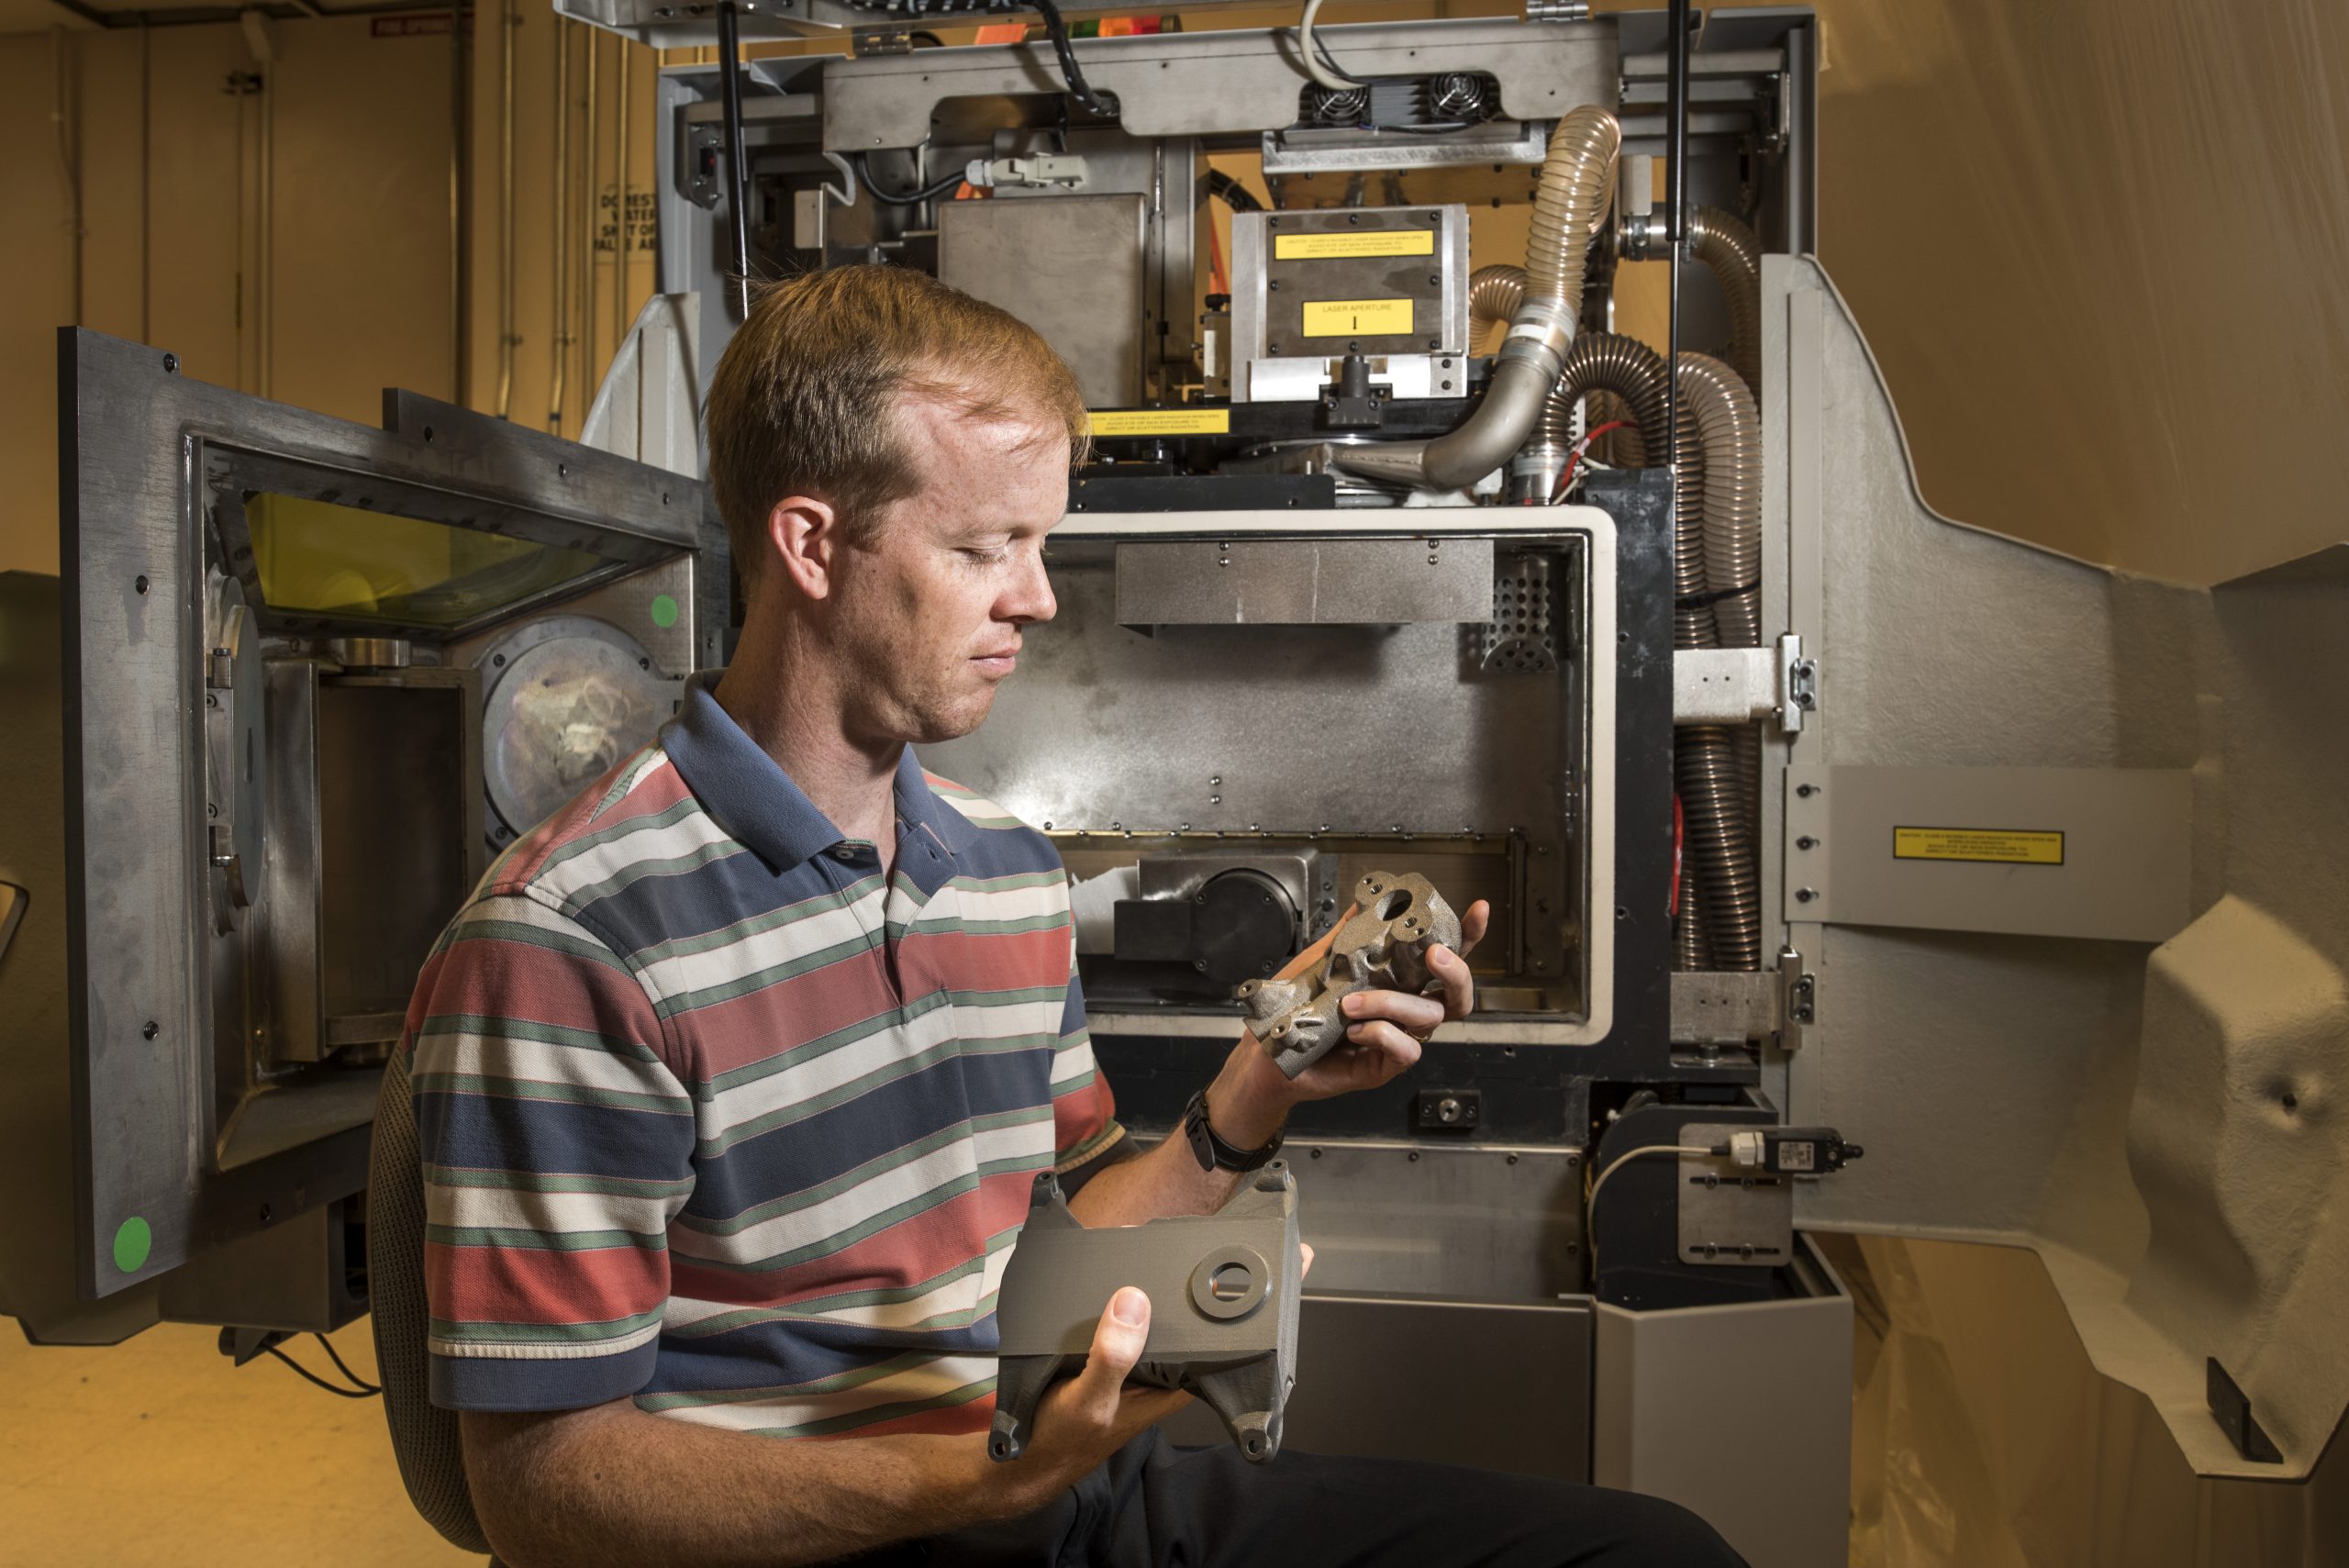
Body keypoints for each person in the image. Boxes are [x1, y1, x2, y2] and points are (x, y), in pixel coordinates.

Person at [404, 264, 1743, 1568]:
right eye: (985, 547)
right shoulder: (572, 941)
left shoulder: (998, 866)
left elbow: (1058, 1237)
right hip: (862, 1527)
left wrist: (1256, 1087)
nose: (1037, 598)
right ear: (811, 543)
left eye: (1040, 543)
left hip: (1066, 1498)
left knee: (1661, 1552)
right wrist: (975, 1477)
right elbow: (544, 1492)